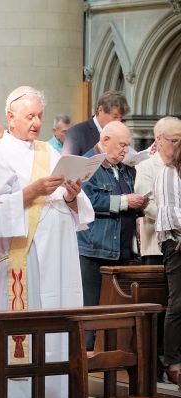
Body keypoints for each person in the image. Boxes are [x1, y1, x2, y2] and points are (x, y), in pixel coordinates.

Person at [0, 86, 94, 398]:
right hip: (24, 259)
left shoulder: (48, 151)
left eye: (40, 116)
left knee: (57, 332)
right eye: (30, 116)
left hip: (60, 259)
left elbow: (78, 209)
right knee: (25, 339)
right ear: (10, 116)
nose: (36, 122)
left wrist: (71, 195)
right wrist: (31, 192)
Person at [77, 121, 146, 348]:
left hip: (121, 252)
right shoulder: (87, 165)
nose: (125, 150)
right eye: (121, 145)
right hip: (95, 249)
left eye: (128, 145)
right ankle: (85, 358)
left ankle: (113, 354)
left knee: (117, 312)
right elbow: (87, 201)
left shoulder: (126, 169)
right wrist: (126, 201)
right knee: (91, 310)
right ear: (105, 140)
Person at [136, 117, 181, 265]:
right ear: (159, 139)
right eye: (174, 141)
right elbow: (147, 206)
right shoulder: (145, 167)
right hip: (156, 246)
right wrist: (175, 219)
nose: (178, 145)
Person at [155, 138, 181, 388]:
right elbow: (171, 213)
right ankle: (172, 362)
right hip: (177, 243)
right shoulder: (169, 172)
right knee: (178, 302)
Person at [62, 90, 129, 156]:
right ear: (100, 110)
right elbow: (67, 165)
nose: (118, 122)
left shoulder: (119, 133)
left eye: (121, 118)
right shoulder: (76, 132)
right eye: (115, 117)